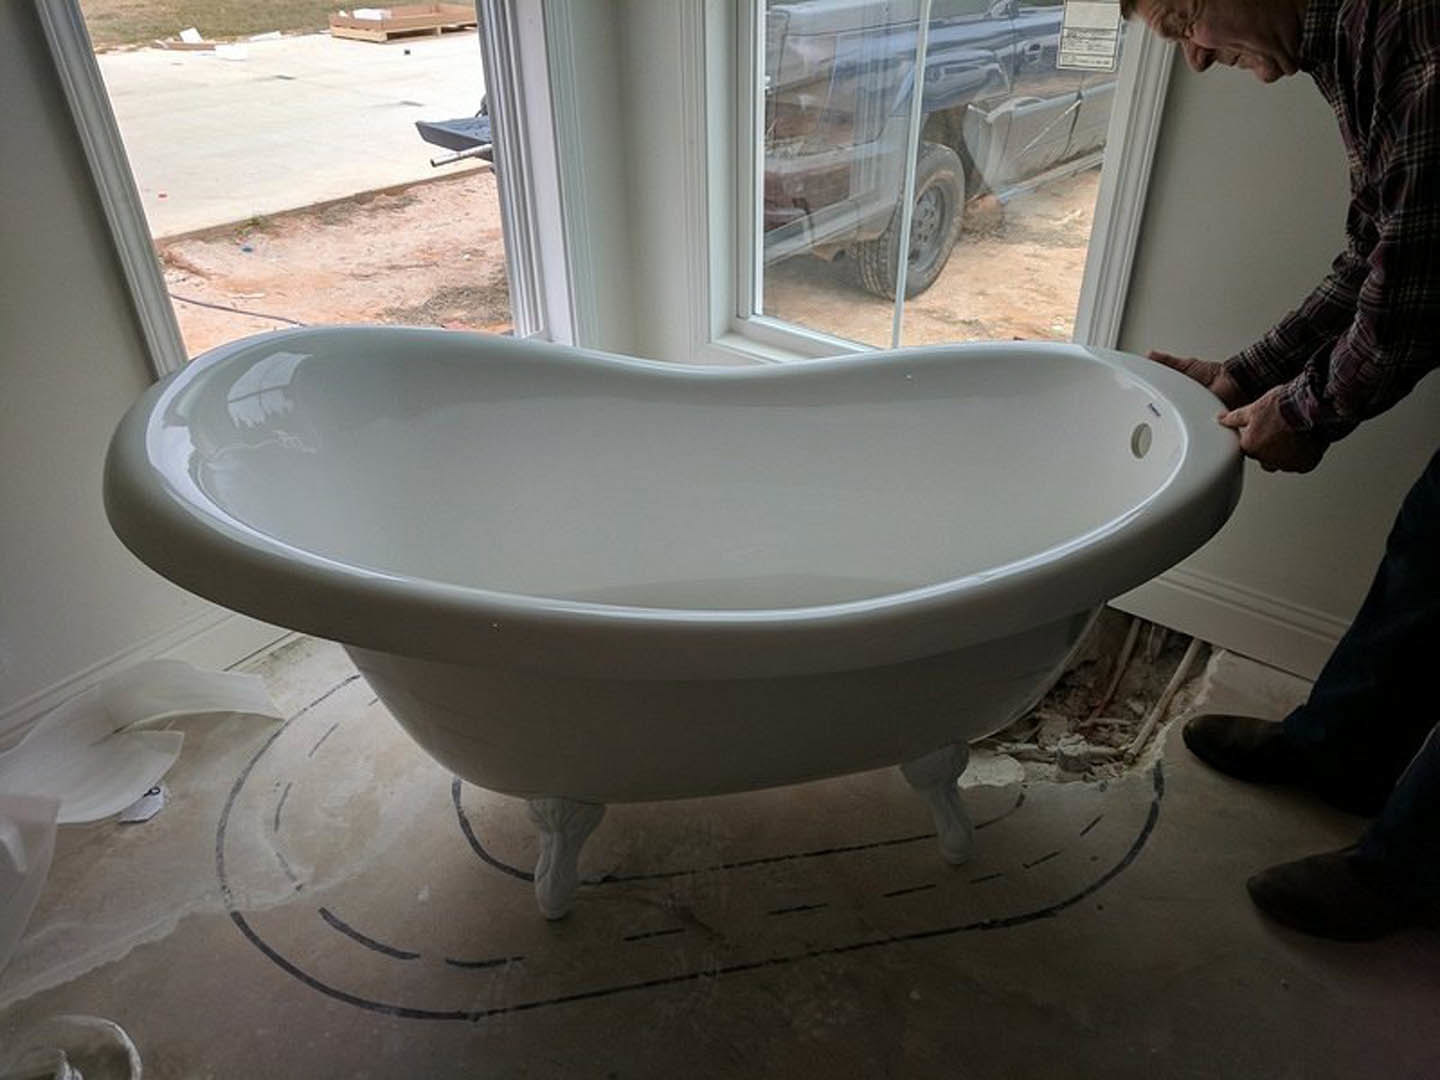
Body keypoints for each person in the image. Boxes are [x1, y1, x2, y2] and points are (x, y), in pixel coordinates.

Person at [1121, 0, 1440, 940]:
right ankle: (1340, 753)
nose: (1194, 60)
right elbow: (1375, 252)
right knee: (1429, 551)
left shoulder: (1417, 35)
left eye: (1183, 20)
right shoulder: (1343, 40)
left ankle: (1408, 871)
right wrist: (1246, 374)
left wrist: (1307, 411)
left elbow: (1416, 294)